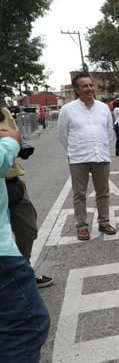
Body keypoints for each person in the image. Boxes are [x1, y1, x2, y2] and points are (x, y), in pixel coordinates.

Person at [0, 126, 50, 362]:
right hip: (3, 258)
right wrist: (10, 142)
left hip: (13, 186)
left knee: (27, 229)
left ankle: (26, 271)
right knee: (28, 327)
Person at [58, 72, 116, 241]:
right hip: (78, 157)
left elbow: (109, 131)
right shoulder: (67, 110)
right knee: (79, 194)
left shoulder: (103, 107)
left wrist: (103, 146)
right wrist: (73, 150)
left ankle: (104, 222)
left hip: (101, 156)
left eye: (91, 85)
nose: (89, 88)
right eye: (85, 86)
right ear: (77, 90)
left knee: (103, 192)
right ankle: (82, 226)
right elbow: (62, 134)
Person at [0, 106, 53, 288]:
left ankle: (24, 271)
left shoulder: (4, 112)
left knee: (28, 229)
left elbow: (15, 136)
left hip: (12, 182)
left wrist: (20, 145)